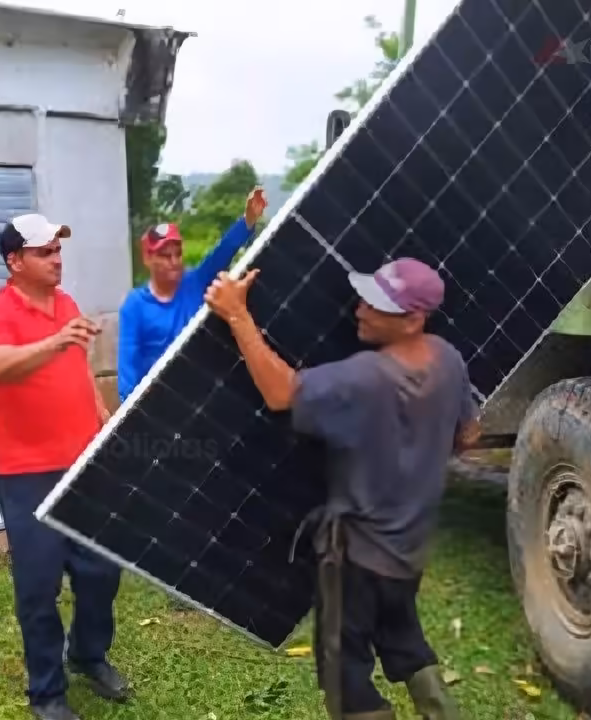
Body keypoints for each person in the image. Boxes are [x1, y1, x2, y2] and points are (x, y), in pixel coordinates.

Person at [203, 257, 478, 720]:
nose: (360, 310)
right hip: (409, 549)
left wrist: (236, 315)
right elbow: (469, 435)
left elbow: (281, 392)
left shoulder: (365, 378)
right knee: (401, 634)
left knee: (344, 673)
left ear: (413, 320)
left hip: (357, 558)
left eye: (377, 306)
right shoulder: (447, 358)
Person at [0, 213, 126, 720]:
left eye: (58, 250)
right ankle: (47, 693)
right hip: (27, 472)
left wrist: (100, 410)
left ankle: (87, 654)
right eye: (44, 252)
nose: (57, 259)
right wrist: (55, 340)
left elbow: (77, 364)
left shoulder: (67, 304)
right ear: (15, 261)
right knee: (39, 586)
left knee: (101, 570)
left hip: (82, 463)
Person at [117, 187, 268, 401]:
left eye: (177, 254)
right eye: (165, 256)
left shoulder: (195, 281)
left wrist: (248, 220)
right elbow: (127, 368)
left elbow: (222, 252)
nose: (173, 262)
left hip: (203, 396)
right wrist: (132, 410)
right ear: (148, 259)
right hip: (161, 403)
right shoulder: (135, 306)